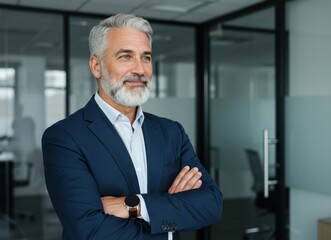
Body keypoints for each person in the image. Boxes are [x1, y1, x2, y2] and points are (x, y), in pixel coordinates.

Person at [41, 13, 222, 240]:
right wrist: (168, 214)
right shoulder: (64, 137)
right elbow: (89, 230)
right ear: (96, 67)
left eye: (146, 57)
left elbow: (211, 204)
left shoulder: (171, 132)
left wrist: (134, 206)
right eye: (126, 56)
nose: (140, 69)